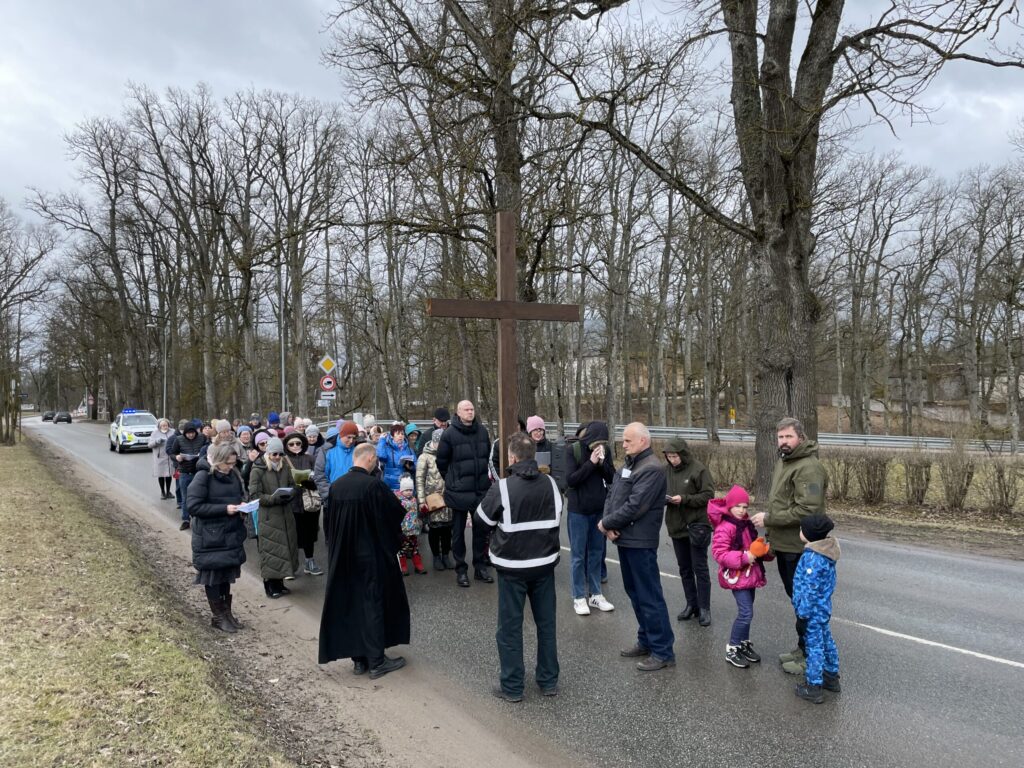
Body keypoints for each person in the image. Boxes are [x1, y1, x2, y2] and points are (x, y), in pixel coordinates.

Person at [476, 433, 561, 702]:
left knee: (510, 628)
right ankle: (548, 681)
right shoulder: (550, 483)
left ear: (511, 458)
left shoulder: (502, 487)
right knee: (546, 625)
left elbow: (481, 522)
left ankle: (512, 687)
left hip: (512, 567)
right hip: (544, 565)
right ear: (533, 456)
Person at [319, 443, 410, 680]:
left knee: (351, 603)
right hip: (370, 556)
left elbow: (329, 524)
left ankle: (359, 659)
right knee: (373, 605)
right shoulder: (373, 486)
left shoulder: (337, 487)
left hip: (343, 556)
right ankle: (377, 660)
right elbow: (394, 515)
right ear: (370, 459)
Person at [750, 416, 828, 675]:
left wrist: (769, 519)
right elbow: (783, 502)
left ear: (800, 438)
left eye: (788, 437)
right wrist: (771, 536)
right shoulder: (786, 462)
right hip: (785, 544)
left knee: (806, 604)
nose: (783, 442)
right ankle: (802, 647)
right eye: (780, 437)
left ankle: (810, 656)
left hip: (799, 547)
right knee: (797, 601)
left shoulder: (808, 467)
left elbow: (808, 509)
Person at [599, 422, 675, 671]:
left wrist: (606, 523)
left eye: (628, 441)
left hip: (641, 542)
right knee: (635, 593)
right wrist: (607, 523)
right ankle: (646, 640)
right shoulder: (628, 466)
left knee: (649, 595)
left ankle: (663, 650)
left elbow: (635, 506)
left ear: (643, 441)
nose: (623, 444)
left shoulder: (651, 469)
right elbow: (612, 494)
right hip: (625, 539)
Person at [708, 485, 773, 668]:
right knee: (746, 613)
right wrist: (744, 557)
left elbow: (754, 548)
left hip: (750, 575)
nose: (742, 510)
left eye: (745, 507)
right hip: (737, 576)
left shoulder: (746, 524)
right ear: (729, 506)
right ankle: (733, 647)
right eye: (738, 506)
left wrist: (766, 552)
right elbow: (720, 554)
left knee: (748, 612)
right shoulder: (725, 527)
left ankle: (743, 644)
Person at [186, 441, 248, 633]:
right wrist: (225, 509)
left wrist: (243, 506)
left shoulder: (234, 474)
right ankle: (218, 617)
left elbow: (240, 495)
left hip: (230, 534)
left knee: (225, 576)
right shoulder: (203, 477)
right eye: (228, 463)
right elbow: (193, 507)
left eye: (233, 463)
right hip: (210, 537)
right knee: (212, 576)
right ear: (218, 460)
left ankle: (227, 613)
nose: (231, 467)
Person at [436, 399, 493, 587]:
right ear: (458, 413)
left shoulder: (483, 431)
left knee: (481, 532)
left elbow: (487, 458)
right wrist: (453, 480)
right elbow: (441, 463)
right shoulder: (449, 434)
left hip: (480, 491)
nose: (470, 412)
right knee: (458, 534)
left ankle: (480, 567)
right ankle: (461, 570)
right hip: (459, 491)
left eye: (472, 409)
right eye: (466, 409)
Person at [663, 436, 715, 625]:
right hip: (676, 525)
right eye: (669, 456)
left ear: (683, 454)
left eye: (675, 456)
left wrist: (684, 499)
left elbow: (709, 495)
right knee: (684, 569)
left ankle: (704, 608)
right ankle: (691, 605)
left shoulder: (698, 469)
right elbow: (659, 491)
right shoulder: (666, 470)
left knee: (699, 568)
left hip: (697, 525)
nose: (672, 460)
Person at [565, 421, 615, 616]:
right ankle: (579, 597)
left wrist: (602, 463)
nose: (599, 446)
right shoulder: (574, 450)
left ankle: (596, 594)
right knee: (578, 555)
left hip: (598, 509)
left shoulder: (606, 451)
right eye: (596, 442)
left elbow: (611, 477)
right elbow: (571, 480)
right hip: (578, 510)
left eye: (602, 442)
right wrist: (591, 463)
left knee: (597, 552)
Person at [792, 514, 841, 703]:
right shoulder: (825, 552)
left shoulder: (813, 558)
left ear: (809, 534)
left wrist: (802, 614)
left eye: (801, 529)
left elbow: (808, 590)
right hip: (822, 609)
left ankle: (813, 686)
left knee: (814, 647)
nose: (800, 532)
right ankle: (831, 676)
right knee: (827, 641)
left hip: (811, 612)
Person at [248, 437, 298, 598]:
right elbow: (255, 495)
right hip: (269, 516)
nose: (277, 457)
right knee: (270, 551)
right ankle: (270, 586)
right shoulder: (258, 469)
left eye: (280, 454)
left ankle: (280, 583)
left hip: (285, 515)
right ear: (268, 453)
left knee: (284, 549)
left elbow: (292, 485)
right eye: (274, 454)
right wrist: (275, 499)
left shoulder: (284, 467)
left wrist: (291, 494)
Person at [284, 431, 322, 577]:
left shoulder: (310, 458)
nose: (295, 446)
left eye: (298, 443)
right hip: (292, 503)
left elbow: (319, 477)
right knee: (292, 535)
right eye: (291, 444)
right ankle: (290, 566)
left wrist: (309, 481)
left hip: (309, 502)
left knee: (309, 535)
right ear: (287, 446)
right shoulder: (282, 459)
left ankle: (309, 561)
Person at [416, 427, 453, 571]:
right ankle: (436, 557)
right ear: (434, 441)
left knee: (447, 529)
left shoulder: (449, 454)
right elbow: (419, 479)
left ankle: (445, 555)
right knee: (435, 529)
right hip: (432, 499)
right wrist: (421, 500)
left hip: (448, 496)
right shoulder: (424, 457)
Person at [171, 420, 207, 531]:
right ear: (185, 433)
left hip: (199, 472)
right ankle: (186, 519)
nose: (191, 435)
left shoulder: (202, 438)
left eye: (192, 433)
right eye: (188, 433)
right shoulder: (179, 440)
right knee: (185, 497)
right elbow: (172, 453)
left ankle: (200, 517)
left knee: (200, 495)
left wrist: (201, 456)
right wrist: (177, 457)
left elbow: (207, 450)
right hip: (184, 472)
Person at [315, 421, 359, 500]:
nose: (351, 441)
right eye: (348, 437)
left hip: (355, 498)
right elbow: (320, 475)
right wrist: (329, 494)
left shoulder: (359, 450)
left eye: (354, 438)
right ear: (341, 435)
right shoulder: (327, 450)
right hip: (334, 498)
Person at [396, 476, 426, 575]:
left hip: (413, 529)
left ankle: (418, 565)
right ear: (401, 490)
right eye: (406, 490)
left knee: (414, 547)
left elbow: (417, 513)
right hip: (403, 530)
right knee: (402, 548)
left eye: (410, 490)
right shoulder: (398, 500)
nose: (409, 492)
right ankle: (403, 567)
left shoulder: (414, 499)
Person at [377, 422, 416, 491]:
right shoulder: (387, 448)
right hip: (390, 484)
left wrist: (411, 466)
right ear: (392, 436)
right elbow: (381, 456)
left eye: (402, 434)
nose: (400, 436)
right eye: (398, 434)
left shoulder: (409, 449)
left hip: (405, 484)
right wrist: (382, 440)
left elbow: (416, 465)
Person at [148, 418, 176, 500]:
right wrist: (157, 441)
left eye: (166, 425)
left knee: (168, 474)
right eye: (163, 425)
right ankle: (162, 492)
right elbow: (149, 445)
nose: (165, 427)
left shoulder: (173, 432)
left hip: (169, 457)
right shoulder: (155, 433)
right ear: (159, 426)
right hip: (159, 457)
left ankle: (168, 492)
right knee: (161, 475)